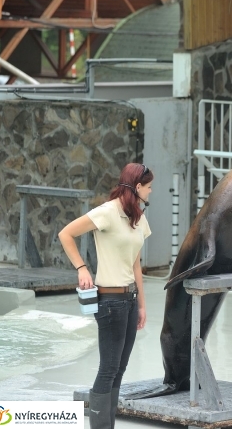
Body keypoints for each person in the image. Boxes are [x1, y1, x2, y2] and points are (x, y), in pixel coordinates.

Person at [58, 162, 153, 429]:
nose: (151, 191)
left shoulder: (138, 218)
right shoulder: (107, 212)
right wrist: (81, 268)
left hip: (131, 300)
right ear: (137, 187)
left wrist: (143, 306)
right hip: (110, 302)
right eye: (148, 187)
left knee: (120, 369)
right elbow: (66, 234)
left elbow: (136, 264)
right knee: (108, 368)